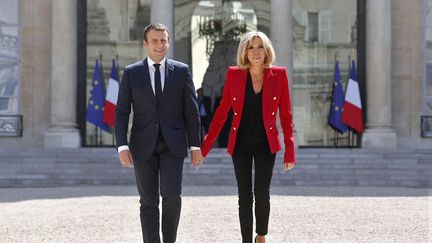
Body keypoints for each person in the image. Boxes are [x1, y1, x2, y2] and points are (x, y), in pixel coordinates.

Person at [200, 31, 296, 243]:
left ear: (266, 50)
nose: (255, 51)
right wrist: (205, 147)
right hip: (240, 144)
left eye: (260, 46)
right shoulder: (234, 74)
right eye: (251, 47)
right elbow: (221, 113)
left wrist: (290, 151)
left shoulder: (279, 75)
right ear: (244, 52)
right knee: (245, 196)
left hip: (266, 144)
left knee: (262, 193)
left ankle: (261, 235)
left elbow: (286, 115)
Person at [115, 23, 203, 243]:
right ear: (145, 44)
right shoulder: (132, 73)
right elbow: (122, 112)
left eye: (163, 40)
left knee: (172, 195)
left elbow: (192, 112)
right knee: (148, 200)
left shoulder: (181, 71)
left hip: (173, 145)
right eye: (154, 40)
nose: (159, 45)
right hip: (142, 146)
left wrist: (195, 146)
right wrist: (122, 146)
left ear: (168, 42)